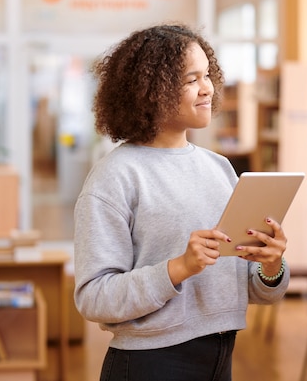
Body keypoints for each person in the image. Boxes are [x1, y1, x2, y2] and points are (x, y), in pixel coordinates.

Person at [73, 24, 290, 381]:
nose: (207, 88)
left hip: (221, 355)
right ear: (150, 90)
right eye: (191, 79)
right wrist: (178, 268)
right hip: (149, 364)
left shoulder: (220, 169)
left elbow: (252, 287)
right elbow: (94, 298)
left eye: (207, 75)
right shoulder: (115, 176)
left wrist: (271, 264)